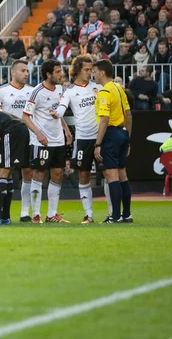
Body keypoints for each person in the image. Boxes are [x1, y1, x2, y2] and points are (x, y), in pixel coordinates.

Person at [22, 60, 73, 223]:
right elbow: (25, 116)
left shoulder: (59, 89)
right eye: (58, 72)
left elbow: (58, 112)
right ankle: (36, 215)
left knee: (57, 174)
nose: (61, 74)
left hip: (58, 140)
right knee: (39, 174)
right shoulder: (37, 92)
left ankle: (52, 214)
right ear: (48, 75)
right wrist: (38, 134)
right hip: (41, 142)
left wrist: (65, 129)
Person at [51, 55, 100, 223]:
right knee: (84, 175)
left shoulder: (97, 87)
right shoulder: (70, 92)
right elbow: (62, 107)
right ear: (78, 70)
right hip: (84, 139)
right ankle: (89, 215)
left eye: (91, 69)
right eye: (87, 70)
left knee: (109, 174)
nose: (90, 73)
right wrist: (56, 113)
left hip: (101, 137)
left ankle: (113, 214)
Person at [93, 59, 133, 223]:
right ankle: (127, 215)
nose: (93, 74)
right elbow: (128, 115)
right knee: (123, 176)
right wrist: (127, 139)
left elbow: (104, 119)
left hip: (109, 135)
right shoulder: (118, 88)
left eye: (95, 71)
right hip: (122, 133)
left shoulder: (104, 92)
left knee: (112, 177)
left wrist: (98, 144)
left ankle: (115, 216)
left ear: (102, 73)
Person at [0, 60, 34, 222]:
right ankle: (5, 214)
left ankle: (25, 213)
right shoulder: (2, 91)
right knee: (6, 171)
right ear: (13, 72)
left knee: (28, 172)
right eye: (23, 70)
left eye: (27, 71)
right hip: (8, 137)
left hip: (28, 136)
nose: (26, 74)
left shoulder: (32, 91)